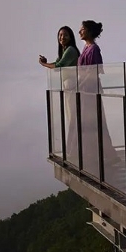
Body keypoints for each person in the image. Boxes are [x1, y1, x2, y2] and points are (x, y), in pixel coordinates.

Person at [74, 20, 119, 173]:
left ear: (89, 32)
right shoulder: (86, 48)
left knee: (96, 123)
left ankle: (107, 155)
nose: (80, 32)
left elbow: (96, 70)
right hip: (86, 91)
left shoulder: (94, 49)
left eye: (82, 29)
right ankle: (99, 155)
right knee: (91, 124)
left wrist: (81, 84)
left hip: (91, 91)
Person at [39, 26, 80, 163]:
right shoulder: (65, 50)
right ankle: (72, 151)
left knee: (73, 120)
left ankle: (72, 152)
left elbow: (59, 66)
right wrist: (47, 63)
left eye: (65, 35)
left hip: (72, 87)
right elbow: (57, 63)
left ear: (71, 37)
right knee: (72, 120)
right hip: (69, 88)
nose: (62, 38)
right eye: (60, 35)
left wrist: (44, 65)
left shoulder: (70, 50)